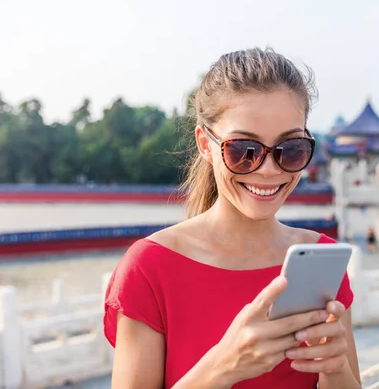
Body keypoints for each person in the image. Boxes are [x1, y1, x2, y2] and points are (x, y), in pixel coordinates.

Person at [103, 48, 361, 389]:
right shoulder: (150, 268)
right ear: (206, 145)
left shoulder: (321, 261)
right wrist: (223, 367)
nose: (269, 170)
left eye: (291, 149)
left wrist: (334, 367)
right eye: (243, 150)